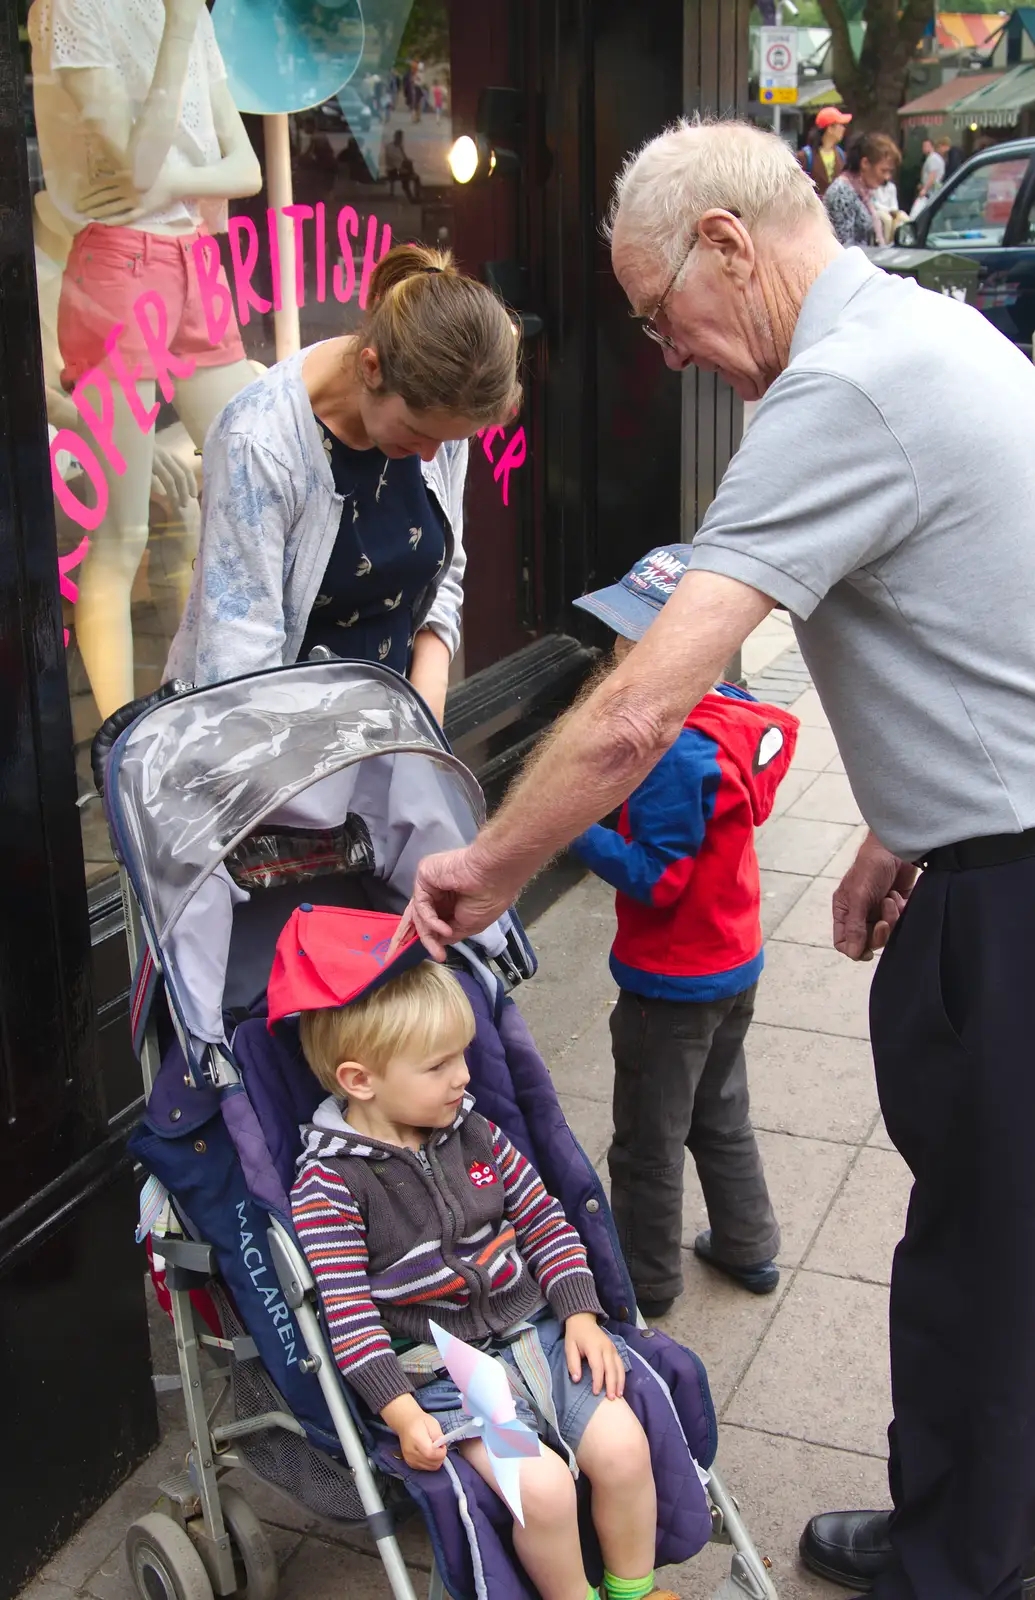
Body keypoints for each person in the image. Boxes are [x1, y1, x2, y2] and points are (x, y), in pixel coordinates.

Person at [399, 118, 1035, 1600]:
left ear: (728, 246)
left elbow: (634, 711)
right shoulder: (926, 336)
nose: (664, 353)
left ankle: (960, 1563)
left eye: (649, 312)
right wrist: (907, 815)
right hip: (988, 848)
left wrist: (481, 869)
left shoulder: (838, 393)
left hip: (1011, 906)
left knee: (980, 1266)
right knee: (993, 1245)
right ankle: (973, 1525)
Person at [278, 906, 677, 1600]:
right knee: (545, 1493)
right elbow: (346, 1314)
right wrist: (402, 1413)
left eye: (462, 1054)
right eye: (438, 1065)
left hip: (540, 1335)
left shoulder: (475, 1132)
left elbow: (545, 1221)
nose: (463, 1076)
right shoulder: (331, 1186)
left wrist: (579, 1313)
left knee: (622, 1447)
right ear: (359, 1080)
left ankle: (632, 1592)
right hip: (445, 1376)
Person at [569, 546, 798, 1317]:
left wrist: (574, 827)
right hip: (731, 961)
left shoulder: (674, 751)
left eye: (627, 641)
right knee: (718, 1112)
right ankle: (746, 1246)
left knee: (646, 1137)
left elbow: (657, 878)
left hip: (670, 981)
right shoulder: (728, 715)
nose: (615, 653)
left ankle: (643, 1282)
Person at [165, 245, 520, 723]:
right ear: (371, 368)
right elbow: (239, 662)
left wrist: (427, 702)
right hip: (275, 745)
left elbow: (445, 573)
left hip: (390, 726)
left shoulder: (442, 410)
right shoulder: (258, 443)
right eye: (419, 434)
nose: (433, 456)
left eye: (449, 441)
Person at [824, 131, 902, 247]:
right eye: (883, 170)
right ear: (865, 163)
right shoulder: (841, 193)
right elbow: (844, 247)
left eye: (890, 172)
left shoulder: (861, 191)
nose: (887, 177)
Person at [796, 106, 851, 199]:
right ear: (830, 128)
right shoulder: (805, 157)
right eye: (840, 125)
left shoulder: (842, 156)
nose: (843, 129)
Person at [915, 135, 945, 206]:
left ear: (931, 146)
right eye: (923, 146)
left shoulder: (933, 158)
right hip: (931, 190)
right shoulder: (931, 158)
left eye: (925, 146)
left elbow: (932, 175)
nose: (923, 148)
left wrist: (924, 189)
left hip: (931, 192)